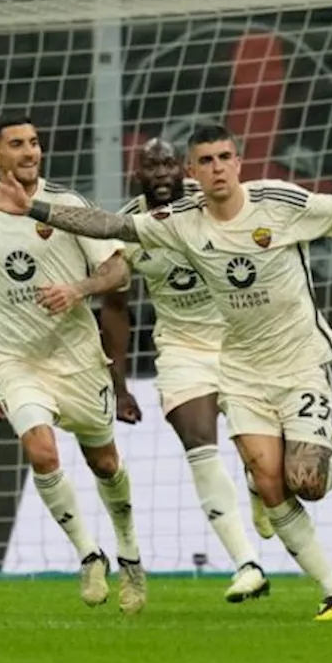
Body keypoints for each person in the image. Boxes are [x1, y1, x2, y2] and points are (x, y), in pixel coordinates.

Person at [0, 123, 332, 620]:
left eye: (224, 158)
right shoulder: (178, 221)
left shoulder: (278, 202)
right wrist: (33, 208)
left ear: (238, 162)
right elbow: (113, 228)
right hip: (238, 367)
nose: (216, 168)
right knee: (266, 478)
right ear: (195, 171)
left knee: (306, 481)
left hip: (300, 359)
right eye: (206, 161)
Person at [0, 115, 147, 613]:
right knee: (43, 453)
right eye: (17, 145)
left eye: (34, 144)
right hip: (16, 358)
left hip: (76, 359)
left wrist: (78, 289)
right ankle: (89, 555)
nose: (30, 152)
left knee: (105, 462)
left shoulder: (67, 207)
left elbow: (117, 270)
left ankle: (130, 554)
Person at [97, 139, 268, 603]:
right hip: (181, 348)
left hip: (241, 339)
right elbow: (115, 308)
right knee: (199, 443)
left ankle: (261, 486)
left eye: (169, 163)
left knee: (270, 463)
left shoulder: (214, 201)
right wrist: (120, 385)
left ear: (184, 169)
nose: (161, 172)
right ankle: (247, 564)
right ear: (138, 174)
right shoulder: (127, 226)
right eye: (151, 165)